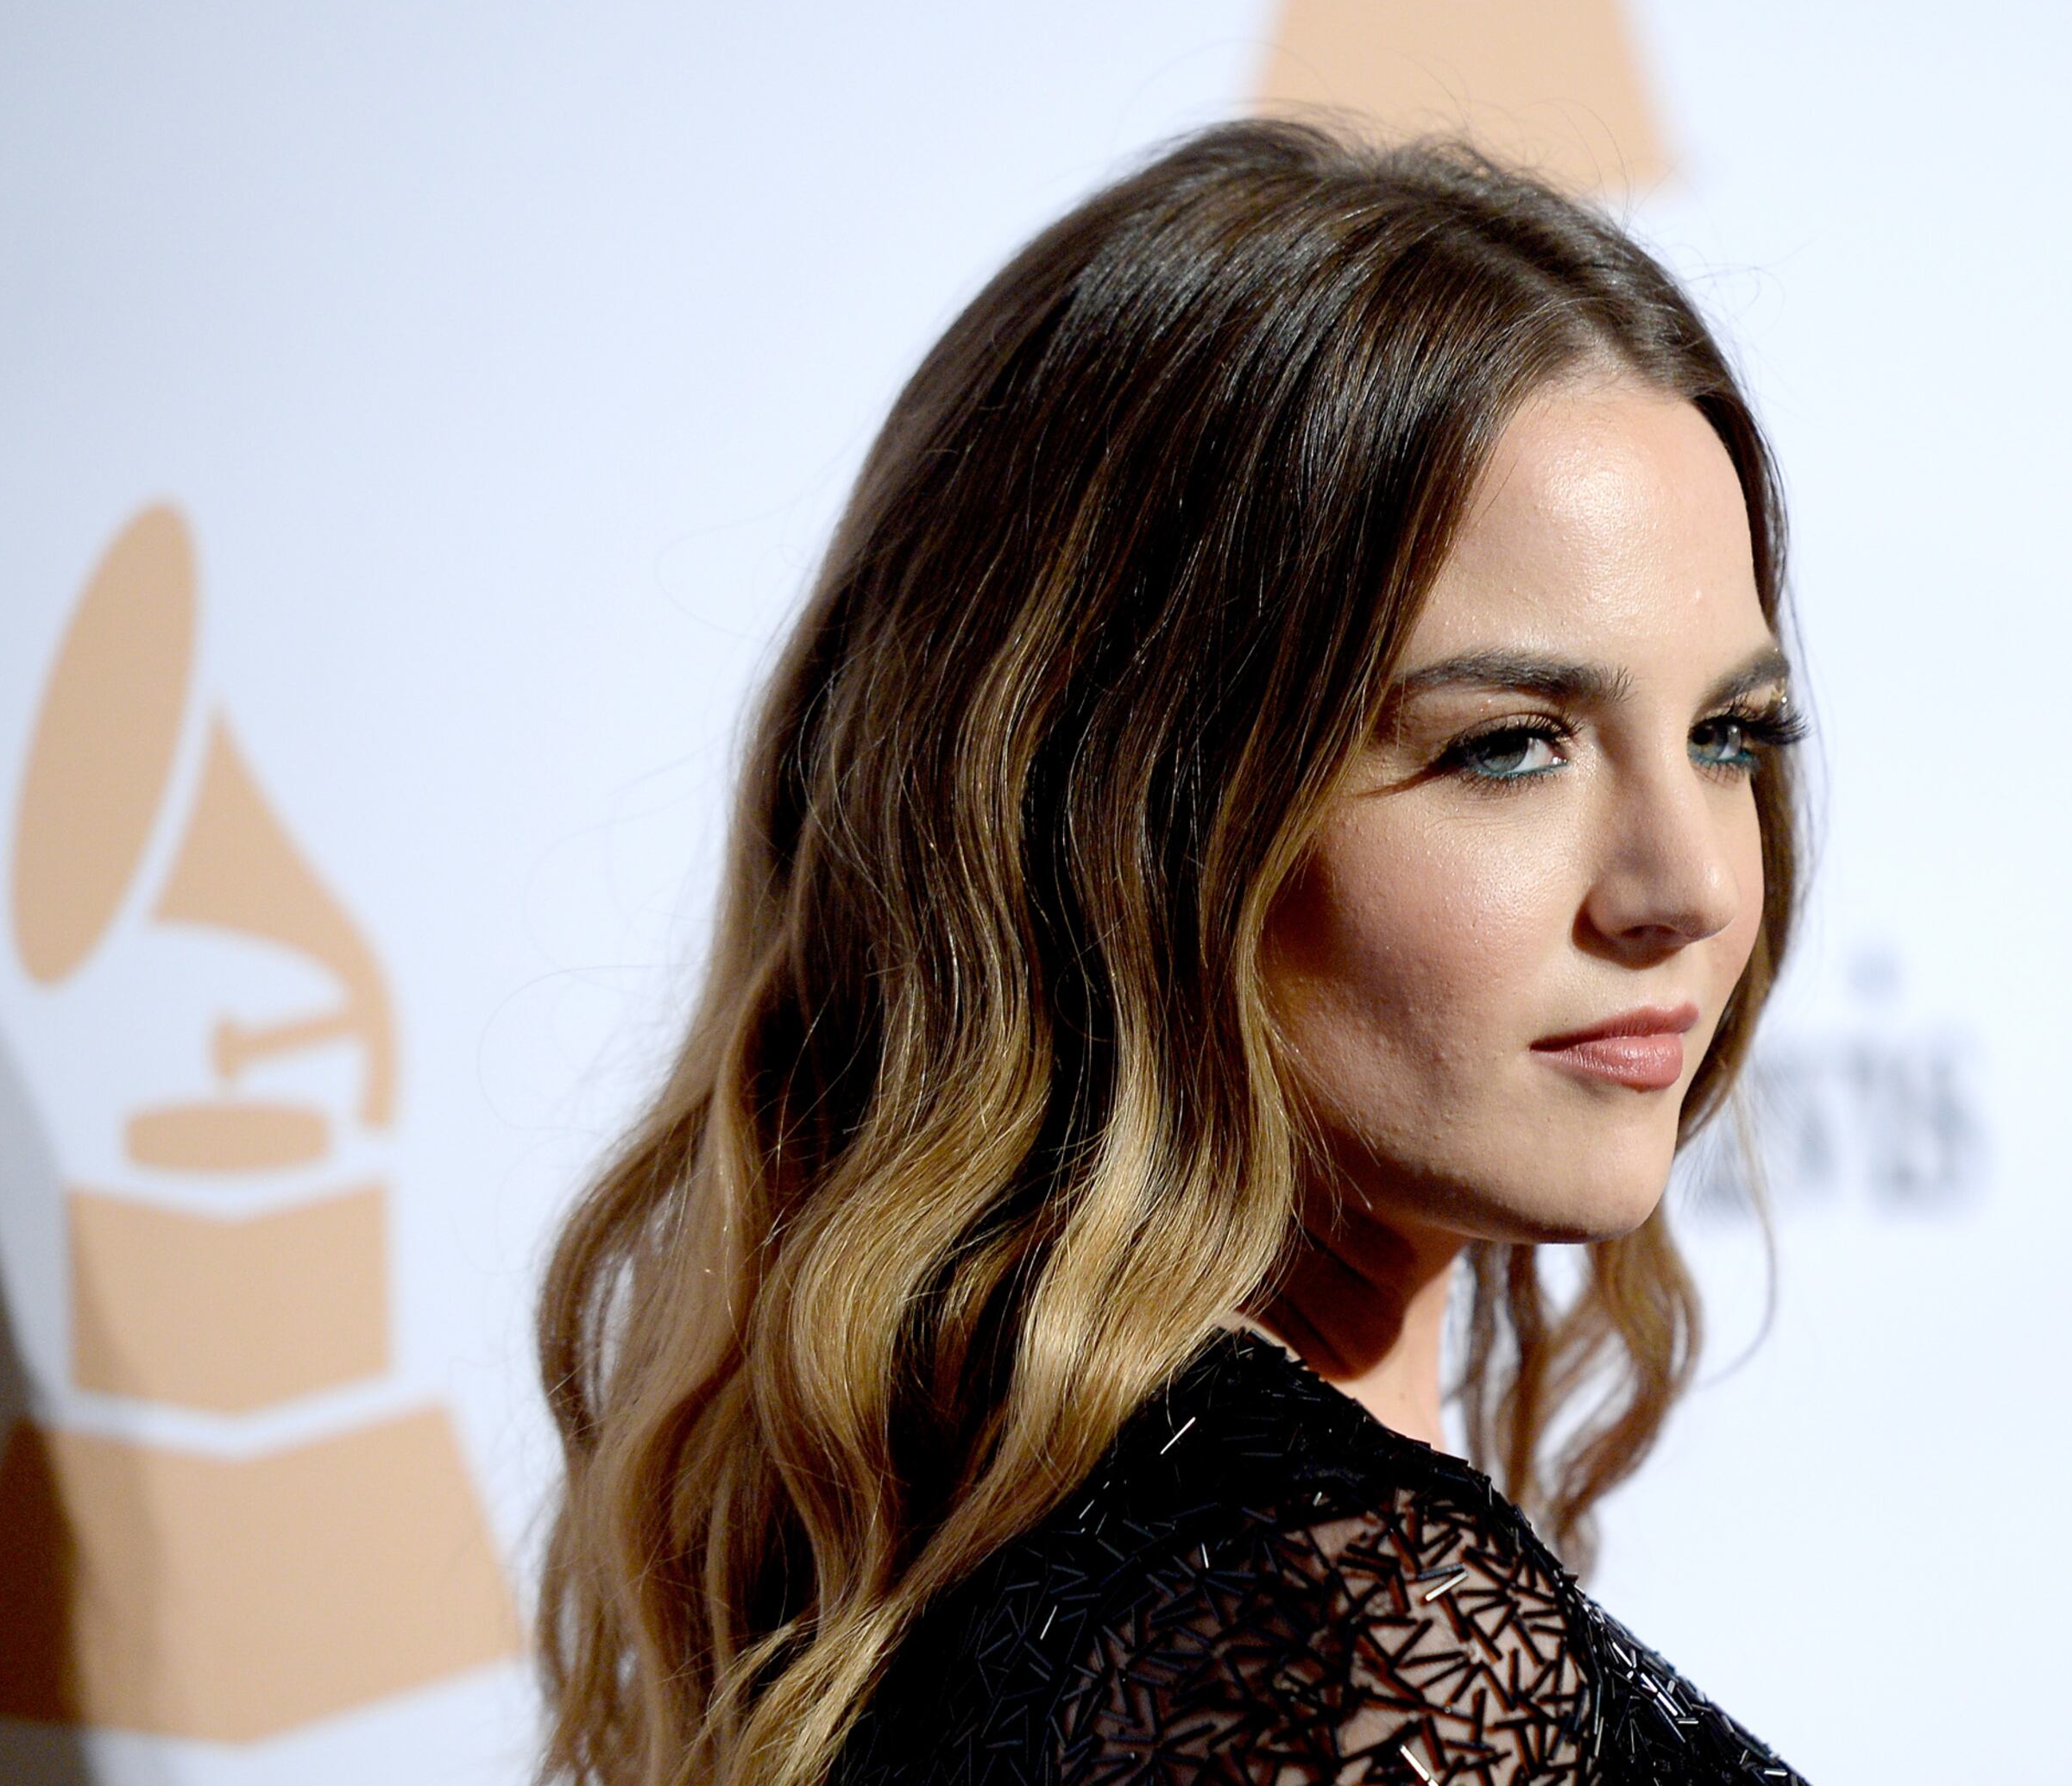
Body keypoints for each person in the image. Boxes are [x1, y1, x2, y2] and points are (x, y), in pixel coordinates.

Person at [533, 120, 1810, 1786]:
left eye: (1731, 731)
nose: (1687, 882)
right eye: (1506, 744)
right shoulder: (1330, 1651)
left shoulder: (1075, 1566)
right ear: (1120, 820)